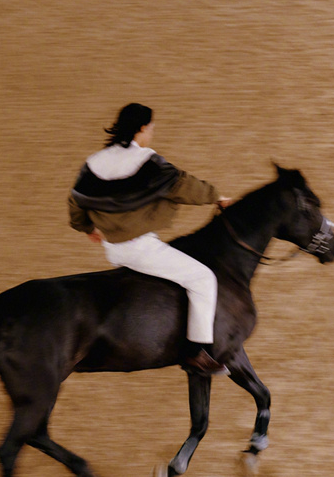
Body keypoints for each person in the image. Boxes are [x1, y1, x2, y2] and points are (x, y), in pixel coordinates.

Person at [68, 103, 232, 376]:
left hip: (113, 248)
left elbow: (75, 202)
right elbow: (182, 185)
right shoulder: (146, 160)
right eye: (151, 127)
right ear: (143, 127)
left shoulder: (94, 162)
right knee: (204, 279)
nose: (152, 133)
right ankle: (197, 353)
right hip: (140, 248)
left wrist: (86, 228)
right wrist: (217, 196)